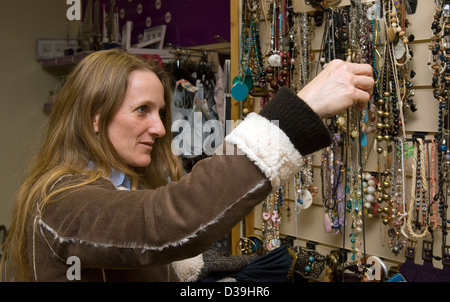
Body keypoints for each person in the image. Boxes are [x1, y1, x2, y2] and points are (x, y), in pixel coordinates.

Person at [0, 49, 374, 282]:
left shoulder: (108, 186)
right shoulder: (63, 200)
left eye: (160, 111)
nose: (160, 128)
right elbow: (164, 222)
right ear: (95, 118)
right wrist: (298, 111)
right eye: (142, 110)